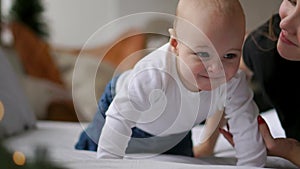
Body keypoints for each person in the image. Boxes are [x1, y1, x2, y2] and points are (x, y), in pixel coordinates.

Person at [75, 0, 267, 166]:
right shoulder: (153, 73)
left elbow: (245, 124)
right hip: (124, 111)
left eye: (230, 55)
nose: (217, 68)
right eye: (203, 54)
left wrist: (252, 164)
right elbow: (120, 118)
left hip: (177, 130)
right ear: (175, 45)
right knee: (94, 147)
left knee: (184, 160)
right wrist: (109, 162)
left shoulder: (233, 81)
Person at [219, 0, 300, 167]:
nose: (286, 22)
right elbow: (228, 78)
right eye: (292, 1)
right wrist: (206, 144)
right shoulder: (268, 44)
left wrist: (290, 150)